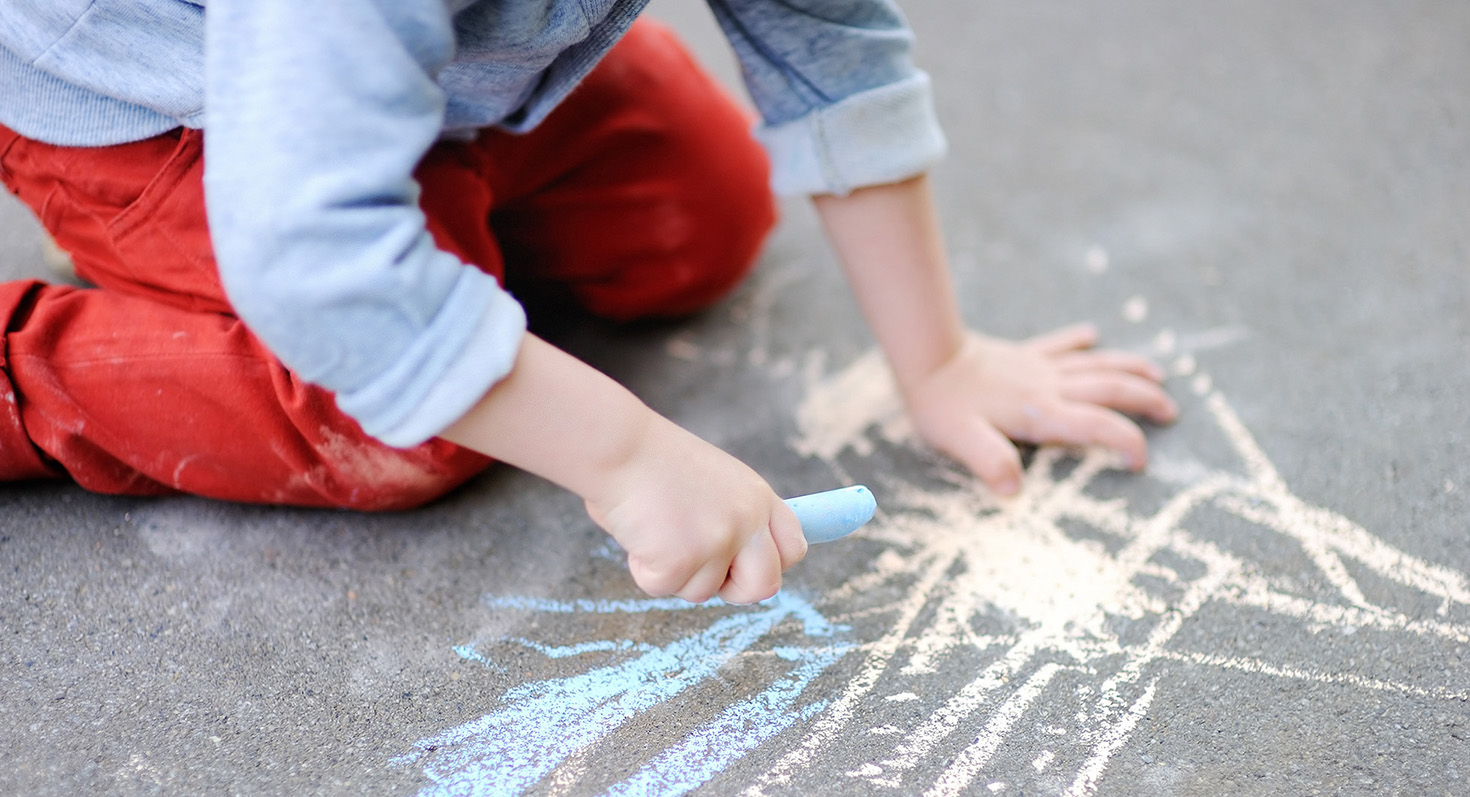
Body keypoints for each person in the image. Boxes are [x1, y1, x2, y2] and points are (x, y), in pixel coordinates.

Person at [0, 0, 1176, 606]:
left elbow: (835, 53)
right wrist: (622, 455)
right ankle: (25, 374)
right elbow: (310, 251)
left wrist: (942, 361)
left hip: (444, 66)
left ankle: (437, 201)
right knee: (389, 422)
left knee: (700, 216)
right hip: (159, 106)